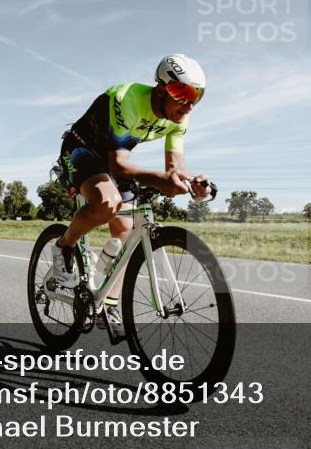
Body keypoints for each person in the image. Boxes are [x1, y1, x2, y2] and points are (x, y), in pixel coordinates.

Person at [52, 54, 212, 338]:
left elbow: (175, 167)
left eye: (196, 96)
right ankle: (64, 246)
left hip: (115, 157)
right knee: (107, 204)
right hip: (81, 149)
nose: (189, 104)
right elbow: (119, 166)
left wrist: (193, 182)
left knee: (125, 229)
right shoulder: (127, 98)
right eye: (183, 94)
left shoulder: (179, 118)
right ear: (161, 88)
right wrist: (161, 180)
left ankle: (107, 301)